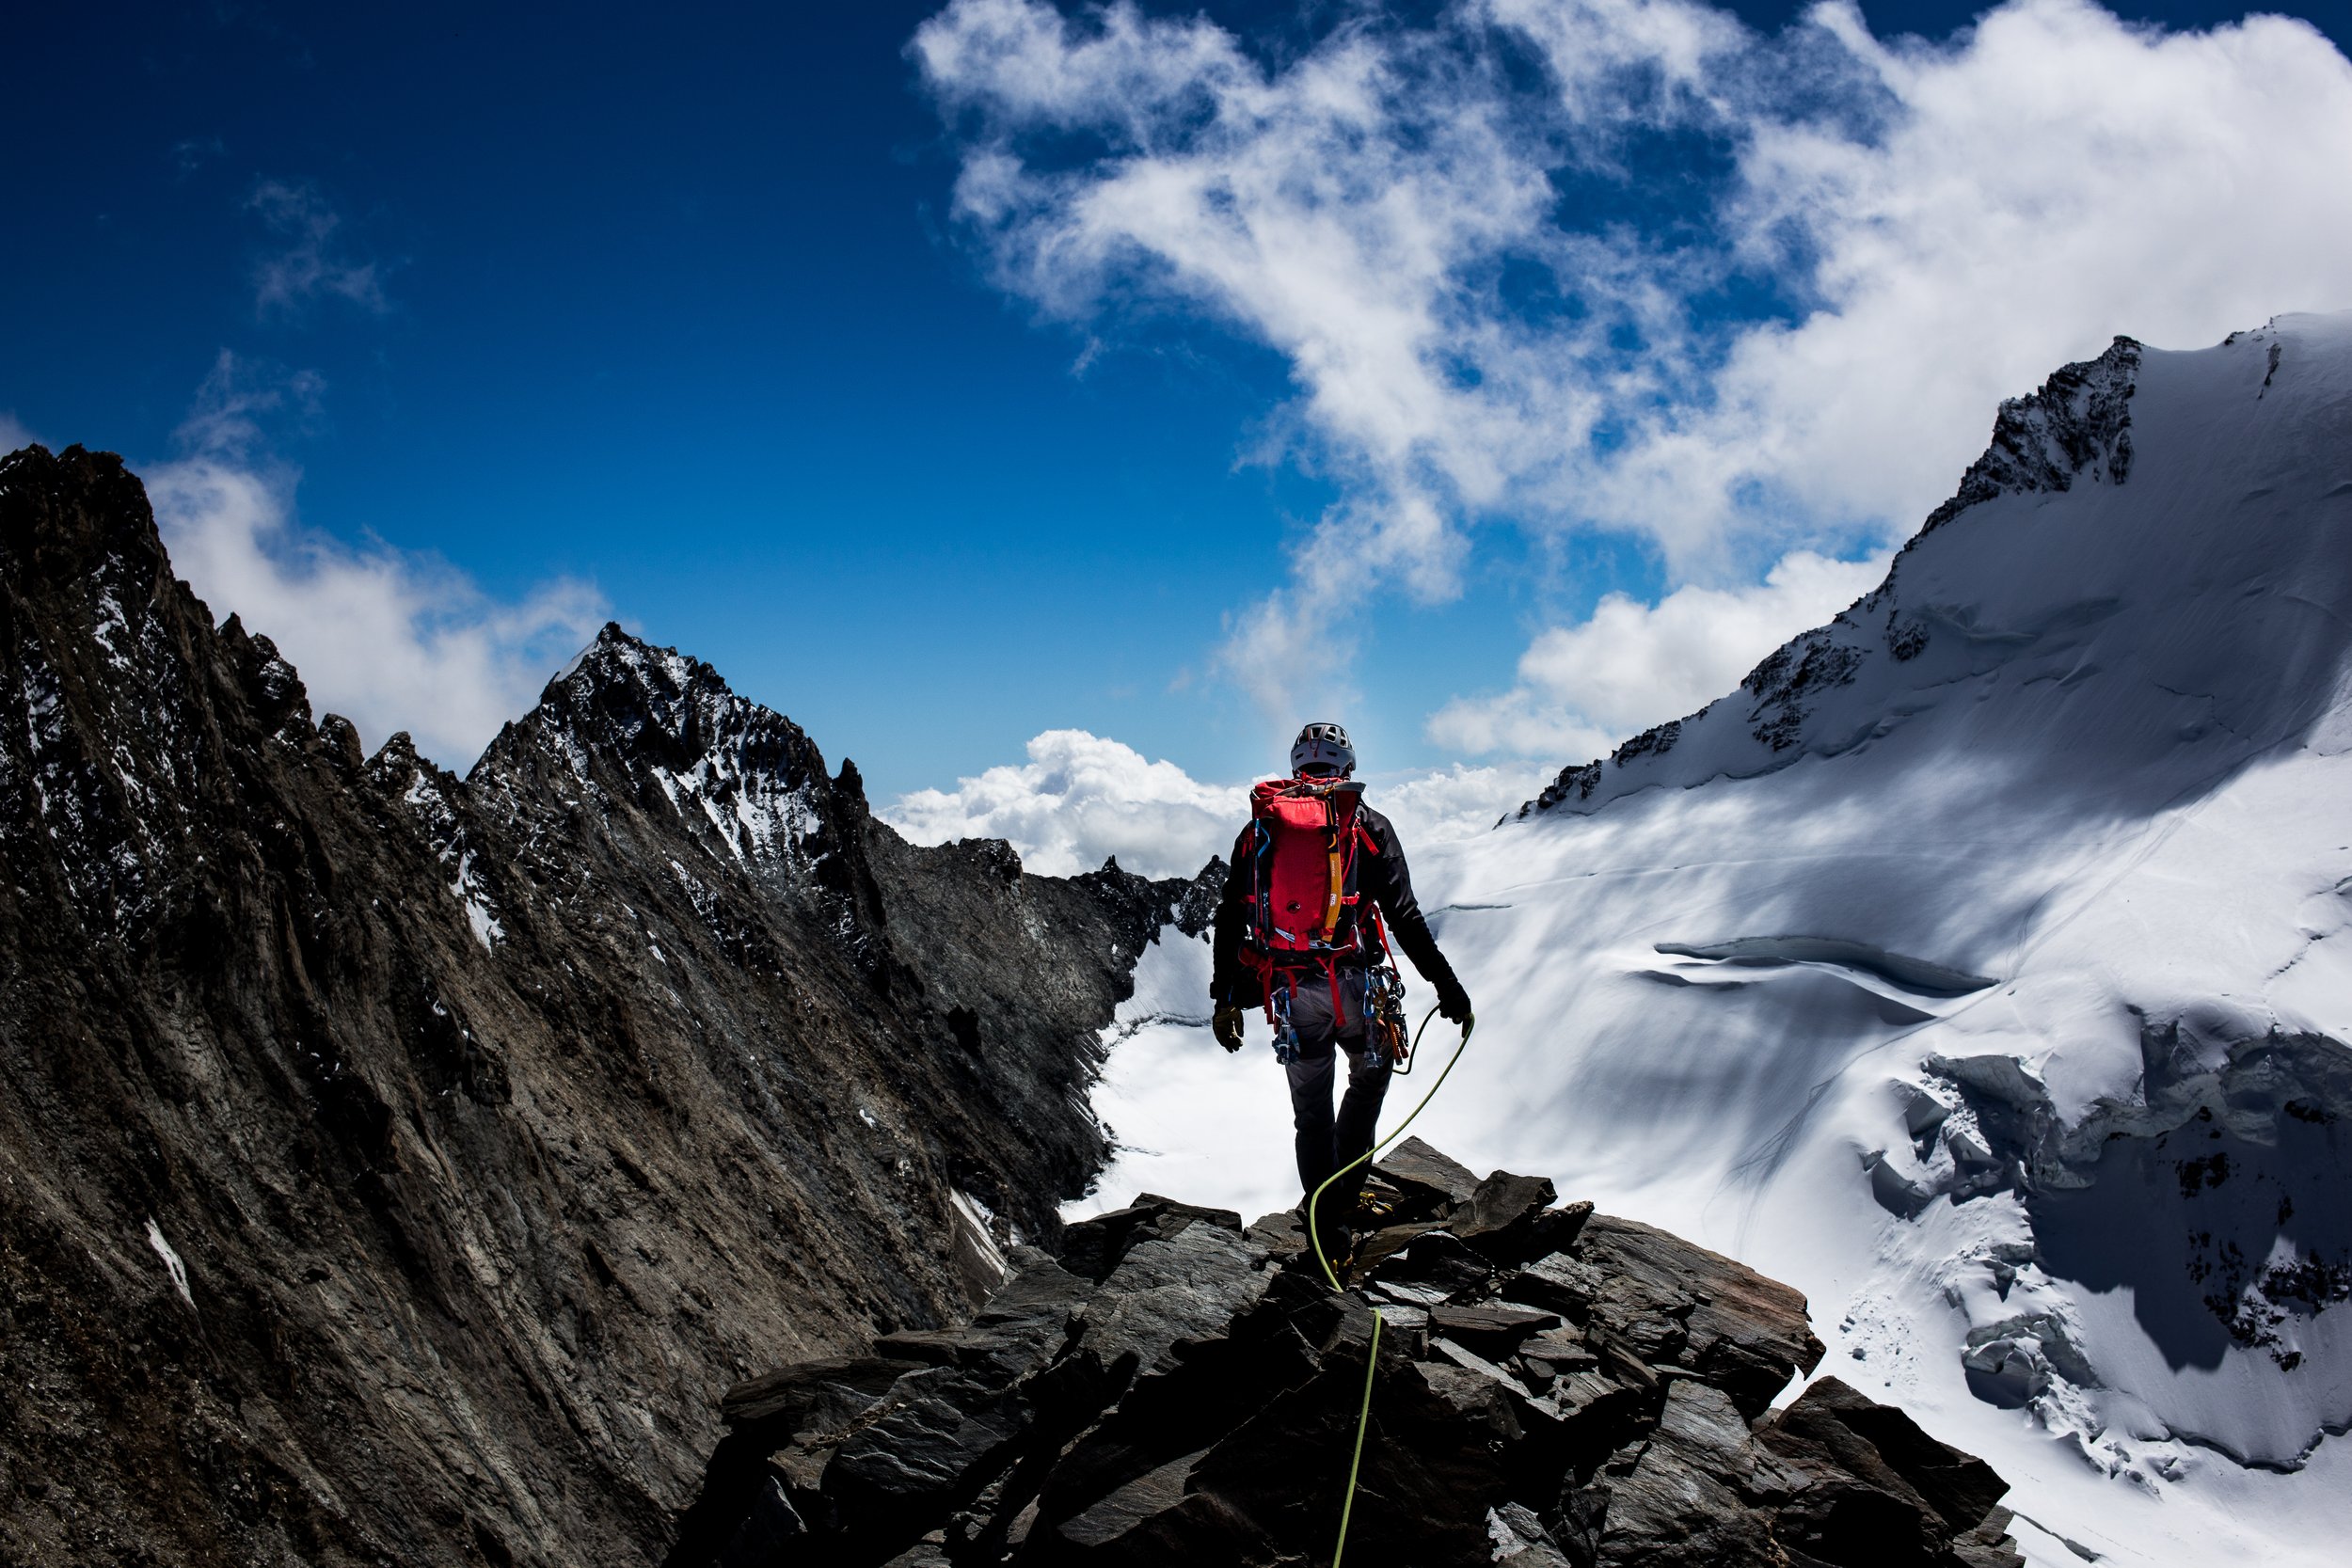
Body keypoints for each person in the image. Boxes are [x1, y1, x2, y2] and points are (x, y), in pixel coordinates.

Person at [1209, 721, 1473, 1269]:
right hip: (1358, 985)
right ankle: (1342, 1209)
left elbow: (1231, 915)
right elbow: (1403, 916)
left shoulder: (1260, 828)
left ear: (1297, 765)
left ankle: (1322, 1228)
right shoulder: (1367, 824)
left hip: (1290, 992)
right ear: (1347, 769)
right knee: (1367, 1085)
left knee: (1311, 1112)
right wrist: (1448, 988)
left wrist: (1225, 998)